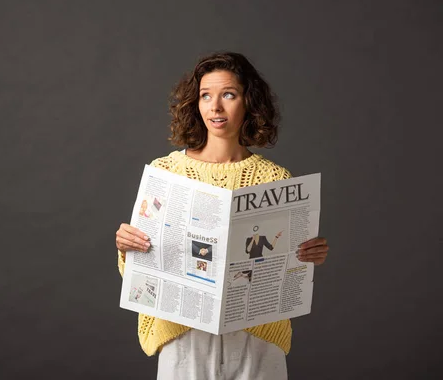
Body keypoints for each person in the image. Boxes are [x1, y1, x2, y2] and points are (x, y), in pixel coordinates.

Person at [115, 52, 329, 379]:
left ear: (248, 103)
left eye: (228, 94)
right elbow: (142, 273)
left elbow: (286, 270)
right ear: (195, 104)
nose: (215, 107)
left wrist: (307, 254)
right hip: (183, 334)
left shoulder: (275, 179)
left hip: (256, 336)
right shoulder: (166, 172)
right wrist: (126, 247)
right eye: (205, 96)